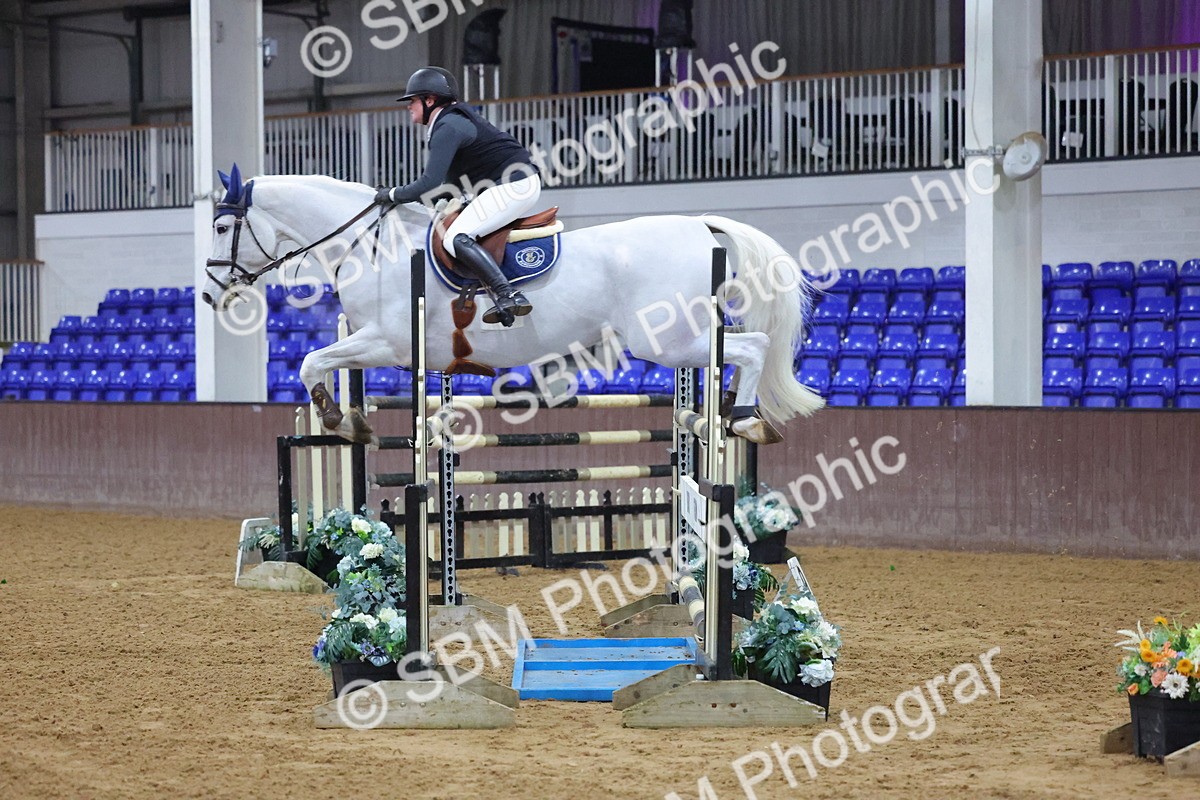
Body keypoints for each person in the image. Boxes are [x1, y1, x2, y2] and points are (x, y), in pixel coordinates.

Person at [375, 66, 541, 326]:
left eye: (413, 101)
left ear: (430, 101)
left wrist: (392, 194)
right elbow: (448, 185)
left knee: (456, 238)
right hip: (510, 184)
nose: (409, 107)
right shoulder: (451, 121)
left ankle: (508, 294)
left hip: (513, 185)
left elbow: (428, 182)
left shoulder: (448, 127)